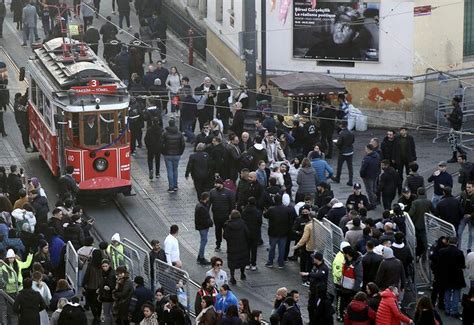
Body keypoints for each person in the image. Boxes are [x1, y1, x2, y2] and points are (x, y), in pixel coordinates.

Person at [438, 236, 466, 318]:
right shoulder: (459, 252)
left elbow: (439, 263)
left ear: (448, 242)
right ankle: (454, 311)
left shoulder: (442, 251)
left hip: (446, 276)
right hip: (457, 276)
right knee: (456, 294)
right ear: (456, 243)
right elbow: (462, 265)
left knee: (447, 292)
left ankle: (447, 309)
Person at [264, 194, 294, 269]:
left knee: (272, 248)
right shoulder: (287, 209)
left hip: (273, 232)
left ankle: (270, 262)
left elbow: (265, 216)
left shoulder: (271, 209)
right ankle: (281, 263)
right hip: (283, 232)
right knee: (282, 249)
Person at [223, 210, 250, 284]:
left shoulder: (228, 225)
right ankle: (242, 274)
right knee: (242, 260)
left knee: (232, 262)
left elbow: (225, 236)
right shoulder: (243, 223)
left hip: (232, 246)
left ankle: (232, 277)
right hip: (242, 246)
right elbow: (247, 234)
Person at [209, 178, 235, 252]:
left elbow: (232, 204)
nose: (215, 185)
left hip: (226, 216)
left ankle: (229, 245)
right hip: (216, 216)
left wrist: (231, 214)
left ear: (221, 184)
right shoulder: (212, 192)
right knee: (218, 231)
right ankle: (218, 244)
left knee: (227, 232)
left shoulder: (228, 192)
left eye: (217, 183)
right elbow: (209, 204)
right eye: (215, 183)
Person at [162, 119, 185, 193]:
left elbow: (161, 144)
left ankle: (171, 187)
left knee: (169, 170)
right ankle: (175, 186)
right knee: (175, 169)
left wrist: (163, 152)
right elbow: (183, 144)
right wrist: (180, 152)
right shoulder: (179, 133)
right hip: (177, 154)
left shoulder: (165, 134)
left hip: (167, 154)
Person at [241, 197, 263, 270]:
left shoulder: (244, 211)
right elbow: (260, 223)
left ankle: (247, 263)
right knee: (254, 249)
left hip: (246, 233)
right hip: (255, 232)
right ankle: (253, 264)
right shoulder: (258, 212)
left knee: (246, 249)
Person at [83, 249, 103, 322]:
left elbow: (87, 275)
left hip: (91, 286)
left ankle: (95, 315)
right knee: (99, 302)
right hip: (100, 286)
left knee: (91, 302)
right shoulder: (102, 265)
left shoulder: (91, 264)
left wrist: (84, 284)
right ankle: (99, 315)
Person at [334, 120, 355, 186]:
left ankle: (338, 178)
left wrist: (336, 143)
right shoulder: (351, 133)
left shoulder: (341, 133)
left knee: (339, 166)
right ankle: (350, 180)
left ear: (341, 125)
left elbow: (339, 143)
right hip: (350, 151)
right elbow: (353, 141)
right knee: (350, 166)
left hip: (343, 152)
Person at [195, 192, 213, 265]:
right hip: (203, 227)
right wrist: (210, 223)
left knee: (203, 241)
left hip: (202, 227)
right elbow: (204, 219)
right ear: (206, 198)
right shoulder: (202, 207)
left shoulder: (200, 205)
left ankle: (200, 256)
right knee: (203, 241)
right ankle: (201, 258)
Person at [360, 144, 380, 209]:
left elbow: (363, 168)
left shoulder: (367, 158)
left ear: (368, 149)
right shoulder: (377, 155)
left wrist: (362, 174)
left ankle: (372, 203)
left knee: (369, 190)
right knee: (374, 189)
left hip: (367, 176)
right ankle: (375, 199)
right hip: (375, 175)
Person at [446, 96, 465, 163]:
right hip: (453, 128)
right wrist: (449, 115)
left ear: (456, 102)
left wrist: (449, 118)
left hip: (455, 128)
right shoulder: (455, 109)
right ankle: (461, 152)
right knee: (451, 141)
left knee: (453, 142)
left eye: (453, 101)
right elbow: (454, 116)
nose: (452, 102)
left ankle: (455, 157)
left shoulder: (458, 110)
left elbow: (458, 121)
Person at [459, 180, 474, 252]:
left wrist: (470, 215)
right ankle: (458, 248)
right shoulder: (463, 193)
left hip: (472, 219)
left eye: (469, 187)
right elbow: (459, 204)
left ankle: (469, 248)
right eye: (466, 187)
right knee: (459, 233)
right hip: (463, 217)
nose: (467, 189)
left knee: (471, 234)